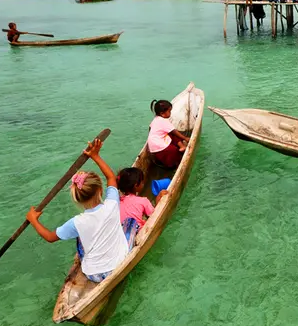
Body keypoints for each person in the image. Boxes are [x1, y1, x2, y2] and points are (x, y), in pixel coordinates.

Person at [26, 139, 135, 283]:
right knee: (130, 222)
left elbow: (50, 237)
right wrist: (95, 156)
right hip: (119, 262)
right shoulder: (112, 205)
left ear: (77, 198)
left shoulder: (76, 222)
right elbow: (111, 178)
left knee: (79, 236)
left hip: (93, 274)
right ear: (100, 190)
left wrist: (33, 220)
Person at [148, 99, 190, 168]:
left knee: (170, 134)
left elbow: (150, 128)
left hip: (153, 147)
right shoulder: (163, 122)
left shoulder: (156, 119)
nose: (170, 113)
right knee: (174, 150)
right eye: (169, 111)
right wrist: (185, 138)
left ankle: (182, 146)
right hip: (160, 147)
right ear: (162, 113)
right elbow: (174, 131)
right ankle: (175, 164)